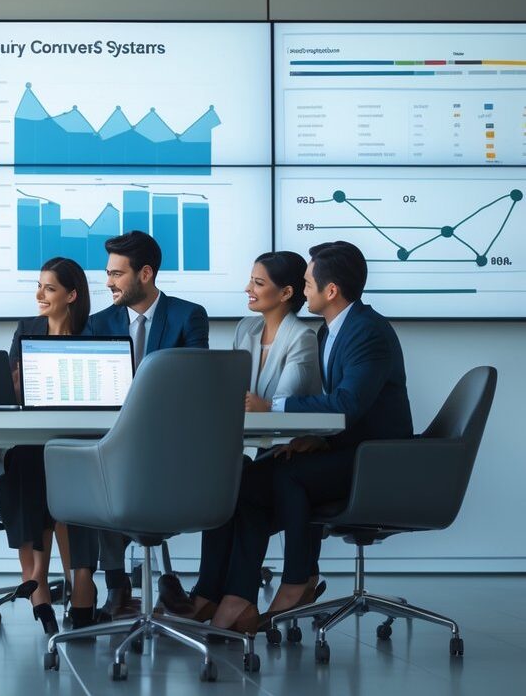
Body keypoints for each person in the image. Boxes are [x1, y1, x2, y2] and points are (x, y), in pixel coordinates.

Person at [206, 241, 413, 633]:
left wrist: (274, 408)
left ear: (330, 290)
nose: (302, 292)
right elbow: (342, 407)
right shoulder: (330, 333)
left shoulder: (367, 331)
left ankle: (298, 579)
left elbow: (348, 403)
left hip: (378, 460)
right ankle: (238, 597)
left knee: (291, 475)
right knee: (249, 480)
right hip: (348, 449)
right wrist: (318, 440)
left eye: (307, 283)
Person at [182, 250, 322, 622]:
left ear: (287, 292)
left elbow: (279, 405)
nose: (248, 288)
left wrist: (256, 404)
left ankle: (233, 596)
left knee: (239, 486)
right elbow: (233, 393)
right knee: (225, 483)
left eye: (258, 283)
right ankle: (212, 592)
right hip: (248, 450)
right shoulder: (247, 329)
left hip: (284, 452)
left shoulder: (302, 339)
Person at [79, 231, 209, 618]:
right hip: (113, 441)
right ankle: (117, 585)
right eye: (108, 273)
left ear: (146, 273)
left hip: (168, 443)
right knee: (99, 468)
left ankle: (151, 584)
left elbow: (194, 381)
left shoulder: (188, 316)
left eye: (117, 274)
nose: (108, 283)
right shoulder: (98, 324)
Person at [0, 256, 94, 635]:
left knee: (63, 468)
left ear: (72, 295)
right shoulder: (28, 328)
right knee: (28, 460)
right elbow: (11, 388)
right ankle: (39, 577)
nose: (39, 294)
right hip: (35, 439)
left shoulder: (94, 331)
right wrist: (13, 384)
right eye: (38, 286)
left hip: (81, 441)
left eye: (49, 288)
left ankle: (64, 577)